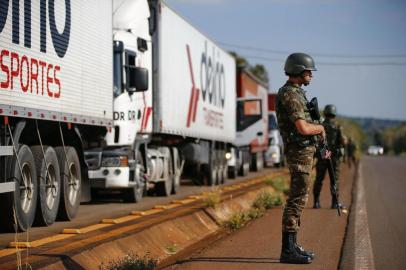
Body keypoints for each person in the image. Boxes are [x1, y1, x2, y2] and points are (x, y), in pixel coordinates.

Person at [276, 53, 328, 264]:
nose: (311, 76)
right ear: (298, 70)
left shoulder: (296, 93)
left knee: (300, 199)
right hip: (298, 153)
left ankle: (293, 245)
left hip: (303, 152)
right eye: (308, 72)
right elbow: (303, 127)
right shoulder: (290, 94)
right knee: (296, 200)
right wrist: (321, 128)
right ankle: (287, 251)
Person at [313, 105, 345, 209]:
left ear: (325, 113)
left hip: (323, 154)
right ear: (334, 114)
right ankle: (335, 203)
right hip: (333, 157)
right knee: (334, 180)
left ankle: (316, 202)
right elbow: (342, 142)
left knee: (319, 179)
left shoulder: (320, 125)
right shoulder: (337, 127)